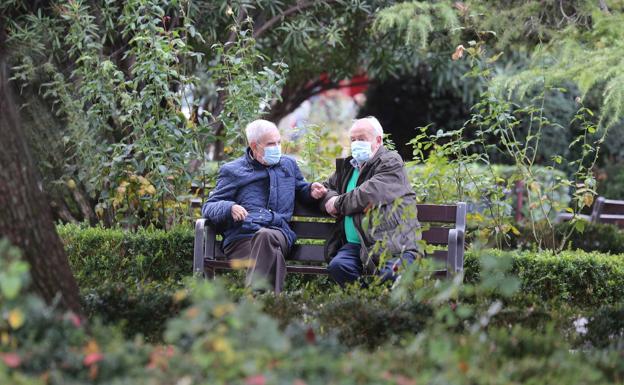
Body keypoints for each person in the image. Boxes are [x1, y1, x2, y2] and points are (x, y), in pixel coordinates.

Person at [202, 119, 327, 293]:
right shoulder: (233, 171)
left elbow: (301, 188)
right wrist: (229, 207)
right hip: (242, 240)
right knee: (273, 255)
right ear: (254, 146)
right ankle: (271, 305)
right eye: (270, 144)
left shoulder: (288, 165)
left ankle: (251, 302)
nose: (276, 147)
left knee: (265, 236)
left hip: (278, 234)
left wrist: (311, 190)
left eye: (278, 142)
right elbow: (209, 206)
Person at [321, 117, 421, 286]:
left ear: (378, 140)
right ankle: (367, 304)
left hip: (394, 246)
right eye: (353, 140)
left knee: (391, 274)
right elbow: (326, 189)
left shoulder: (391, 162)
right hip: (356, 246)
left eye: (361, 139)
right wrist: (328, 197)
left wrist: (337, 203)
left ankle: (374, 305)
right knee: (338, 267)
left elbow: (368, 194)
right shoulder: (348, 167)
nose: (356, 143)